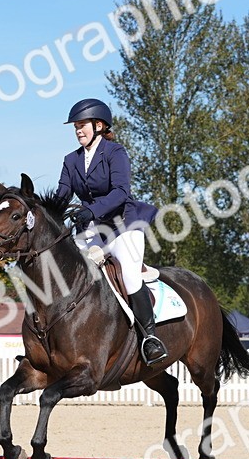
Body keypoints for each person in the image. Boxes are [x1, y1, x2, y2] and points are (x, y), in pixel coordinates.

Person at [53, 98, 166, 365]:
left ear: (99, 125)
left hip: (122, 226)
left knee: (128, 271)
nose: (78, 130)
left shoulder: (115, 152)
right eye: (76, 127)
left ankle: (150, 338)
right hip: (90, 231)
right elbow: (61, 196)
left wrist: (91, 211)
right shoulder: (71, 160)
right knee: (65, 274)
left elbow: (120, 192)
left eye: (82, 125)